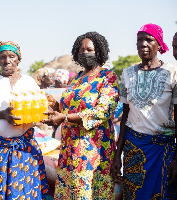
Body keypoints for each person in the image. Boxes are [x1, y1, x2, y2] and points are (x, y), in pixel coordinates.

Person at [43, 32, 119, 199]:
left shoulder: (107, 77)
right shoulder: (75, 79)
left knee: (87, 193)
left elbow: (102, 111)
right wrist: (53, 107)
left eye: (89, 49)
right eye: (81, 50)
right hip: (69, 149)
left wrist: (64, 118)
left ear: (99, 51)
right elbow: (66, 110)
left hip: (93, 150)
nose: (84, 53)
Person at [0, 40, 50, 199]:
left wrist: (33, 118)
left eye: (12, 56)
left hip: (24, 149)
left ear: (18, 59)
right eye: (3, 57)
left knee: (24, 193)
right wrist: (1, 114)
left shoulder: (28, 82)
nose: (7, 61)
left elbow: (40, 110)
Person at [112, 23, 177, 199]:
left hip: (163, 150)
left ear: (159, 43)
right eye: (139, 40)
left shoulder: (173, 73)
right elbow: (125, 116)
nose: (143, 44)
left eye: (149, 39)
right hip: (134, 148)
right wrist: (118, 155)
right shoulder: (127, 74)